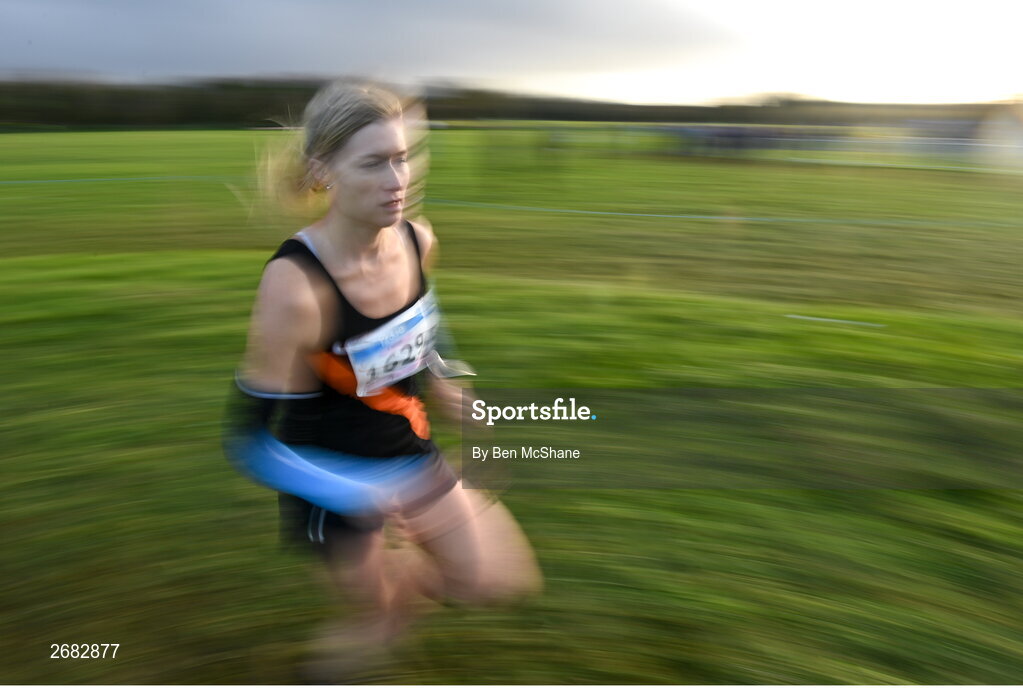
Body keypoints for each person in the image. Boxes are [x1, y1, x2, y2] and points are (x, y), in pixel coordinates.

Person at [223, 79, 541, 680]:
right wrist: (356, 492)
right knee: (375, 625)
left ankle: (402, 597)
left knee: (492, 582)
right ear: (324, 171)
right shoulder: (297, 285)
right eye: (374, 163)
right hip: (329, 482)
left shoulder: (416, 239)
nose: (399, 182)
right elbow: (248, 441)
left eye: (404, 157)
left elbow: (422, 315)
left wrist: (444, 377)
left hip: (408, 451)